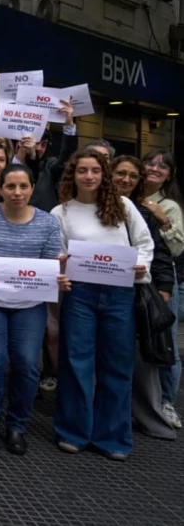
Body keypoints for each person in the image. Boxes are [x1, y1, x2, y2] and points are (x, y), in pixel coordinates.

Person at [51, 149, 153, 460]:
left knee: (117, 366)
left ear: (103, 174)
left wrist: (141, 266)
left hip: (120, 293)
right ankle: (74, 432)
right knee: (76, 363)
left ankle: (113, 439)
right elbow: (58, 254)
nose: (89, 176)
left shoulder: (124, 206)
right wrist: (62, 269)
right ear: (73, 174)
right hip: (80, 294)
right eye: (83, 170)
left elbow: (146, 245)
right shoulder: (61, 213)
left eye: (95, 170)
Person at [0, 164, 67, 455]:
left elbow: (50, 262)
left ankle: (17, 425)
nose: (17, 192)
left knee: (27, 363)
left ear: (32, 188)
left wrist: (56, 276)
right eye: (10, 186)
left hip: (29, 304)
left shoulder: (48, 223)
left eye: (24, 186)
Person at [110, 155, 177, 441]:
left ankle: (150, 414)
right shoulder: (88, 205)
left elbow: (160, 253)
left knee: (143, 358)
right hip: (100, 291)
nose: (125, 180)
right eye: (120, 174)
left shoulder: (145, 212)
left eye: (132, 176)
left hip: (138, 292)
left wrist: (163, 286)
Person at [139, 149, 184, 429]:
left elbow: (178, 248)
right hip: (137, 278)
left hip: (164, 282)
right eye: (150, 163)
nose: (155, 169)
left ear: (169, 174)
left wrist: (162, 219)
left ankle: (167, 401)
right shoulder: (130, 196)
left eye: (163, 166)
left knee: (166, 343)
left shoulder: (169, 206)